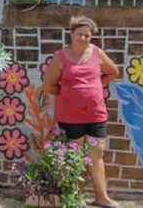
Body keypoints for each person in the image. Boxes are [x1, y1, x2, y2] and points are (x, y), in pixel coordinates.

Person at [42, 16, 120, 208]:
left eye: (87, 35)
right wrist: (67, 93)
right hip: (71, 117)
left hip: (95, 115)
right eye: (80, 34)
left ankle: (102, 197)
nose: (84, 39)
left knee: (96, 155)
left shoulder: (97, 53)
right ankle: (75, 198)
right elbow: (48, 85)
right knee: (74, 156)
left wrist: (96, 85)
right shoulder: (60, 57)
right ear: (71, 34)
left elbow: (113, 71)